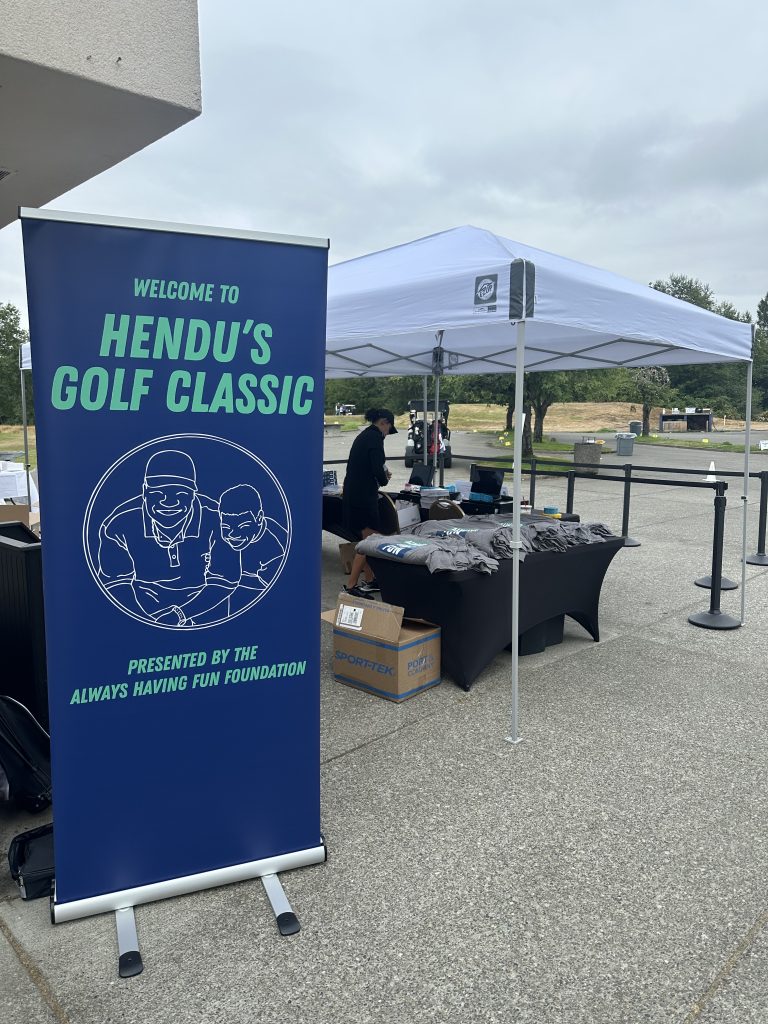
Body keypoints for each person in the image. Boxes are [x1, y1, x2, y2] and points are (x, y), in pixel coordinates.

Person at [97, 449, 239, 626]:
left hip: (205, 606)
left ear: (193, 495)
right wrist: (147, 623)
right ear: (145, 492)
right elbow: (116, 584)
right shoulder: (119, 523)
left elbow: (225, 580)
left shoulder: (218, 519)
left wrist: (180, 615)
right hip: (143, 608)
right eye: (158, 493)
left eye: (181, 494)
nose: (169, 502)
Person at [342, 407, 397, 598]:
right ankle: (351, 586)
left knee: (366, 539)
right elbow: (377, 468)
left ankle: (371, 580)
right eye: (388, 429)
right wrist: (385, 478)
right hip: (364, 497)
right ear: (384, 422)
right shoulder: (375, 439)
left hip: (353, 494)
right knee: (369, 542)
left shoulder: (364, 436)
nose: (387, 434)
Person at [216, 484, 287, 614]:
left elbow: (280, 593)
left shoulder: (274, 549)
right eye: (225, 527)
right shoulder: (245, 538)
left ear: (259, 518)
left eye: (243, 526)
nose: (233, 535)